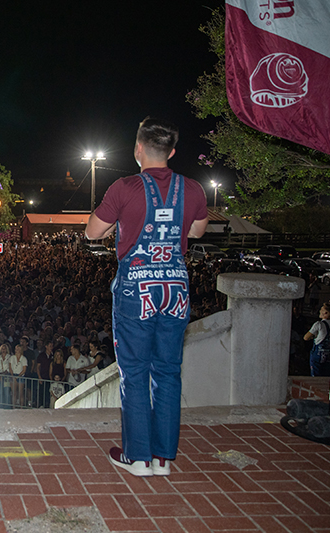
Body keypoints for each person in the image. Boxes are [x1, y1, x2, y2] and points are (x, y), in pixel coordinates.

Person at [85, 117, 208, 477]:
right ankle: (163, 459)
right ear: (171, 151)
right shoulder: (195, 189)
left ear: (138, 149)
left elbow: (93, 232)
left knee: (135, 372)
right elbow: (197, 231)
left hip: (137, 290)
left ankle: (137, 457)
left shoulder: (124, 188)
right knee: (168, 372)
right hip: (175, 290)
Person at [304, 303, 330, 377]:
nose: (319, 311)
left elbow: (306, 337)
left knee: (316, 377)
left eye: (321, 309)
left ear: (326, 313)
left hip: (318, 356)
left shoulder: (319, 324)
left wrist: (314, 336)